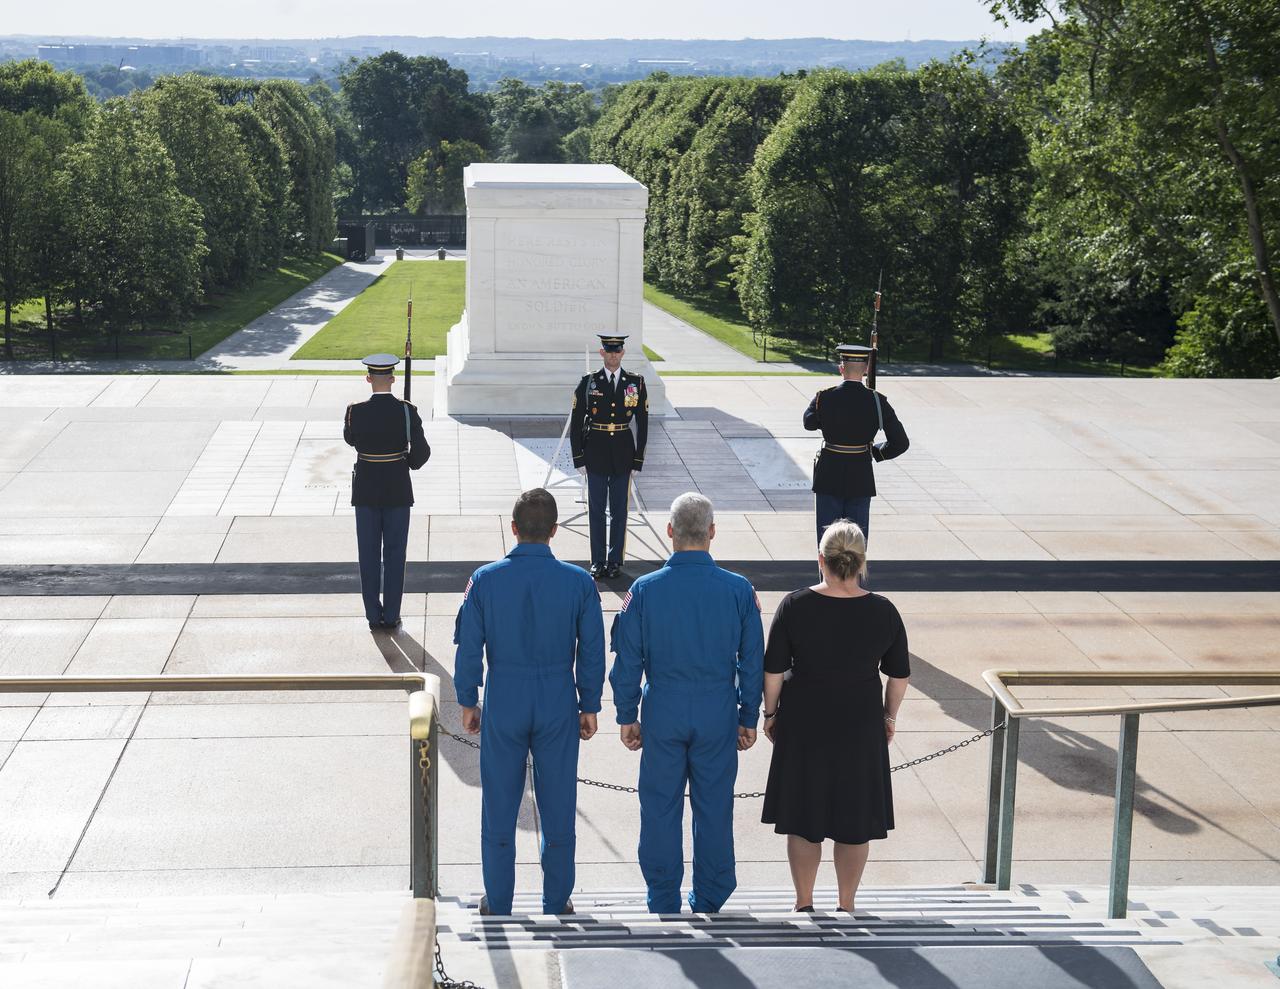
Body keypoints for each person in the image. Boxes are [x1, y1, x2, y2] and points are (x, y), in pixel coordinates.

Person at [453, 488, 606, 917]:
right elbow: (592, 649)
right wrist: (589, 704)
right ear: (555, 531)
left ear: (514, 528)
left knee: (500, 803)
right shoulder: (578, 582)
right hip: (558, 696)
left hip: (506, 694)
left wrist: (468, 698)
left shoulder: (485, 579)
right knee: (558, 801)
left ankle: (499, 900)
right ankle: (557, 899)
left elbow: (469, 646)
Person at [609, 492, 764, 914]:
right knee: (714, 808)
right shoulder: (738, 591)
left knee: (659, 807)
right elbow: (753, 662)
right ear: (712, 533)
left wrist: (626, 715)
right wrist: (748, 715)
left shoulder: (643, 590)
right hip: (717, 709)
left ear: (670, 532)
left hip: (664, 708)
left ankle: (662, 897)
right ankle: (710, 896)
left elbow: (628, 661)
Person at [760, 520, 910, 914]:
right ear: (862, 563)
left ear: (820, 560)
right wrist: (888, 718)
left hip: (805, 721)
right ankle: (846, 905)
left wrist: (770, 714)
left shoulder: (795, 605)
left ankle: (804, 903)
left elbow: (773, 671)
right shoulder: (883, 610)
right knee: (854, 818)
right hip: (860, 723)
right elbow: (898, 675)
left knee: (803, 818)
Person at [344, 354, 431, 631]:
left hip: (366, 489)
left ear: (368, 378)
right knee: (395, 554)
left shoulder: (354, 410)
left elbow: (350, 439)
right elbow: (421, 454)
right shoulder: (407, 410)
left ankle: (373, 615)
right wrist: (407, 461)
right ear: (393, 378)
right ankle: (391, 615)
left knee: (368, 554)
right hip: (397, 488)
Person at [804, 343, 909, 546]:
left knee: (828, 544)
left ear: (841, 368)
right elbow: (901, 443)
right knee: (856, 546)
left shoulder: (824, 397)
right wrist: (877, 452)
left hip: (829, 475)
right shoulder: (877, 401)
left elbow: (809, 423)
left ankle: (827, 578)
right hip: (860, 476)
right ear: (867, 369)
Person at [570, 334, 649, 580]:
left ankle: (614, 561)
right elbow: (575, 423)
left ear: (623, 353)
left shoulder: (635, 383)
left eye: (617, 351)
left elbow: (643, 424)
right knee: (595, 510)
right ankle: (597, 561)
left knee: (619, 511)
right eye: (609, 351)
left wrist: (638, 460)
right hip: (595, 452)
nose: (613, 355)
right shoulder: (589, 382)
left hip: (623, 454)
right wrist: (578, 458)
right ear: (601, 353)